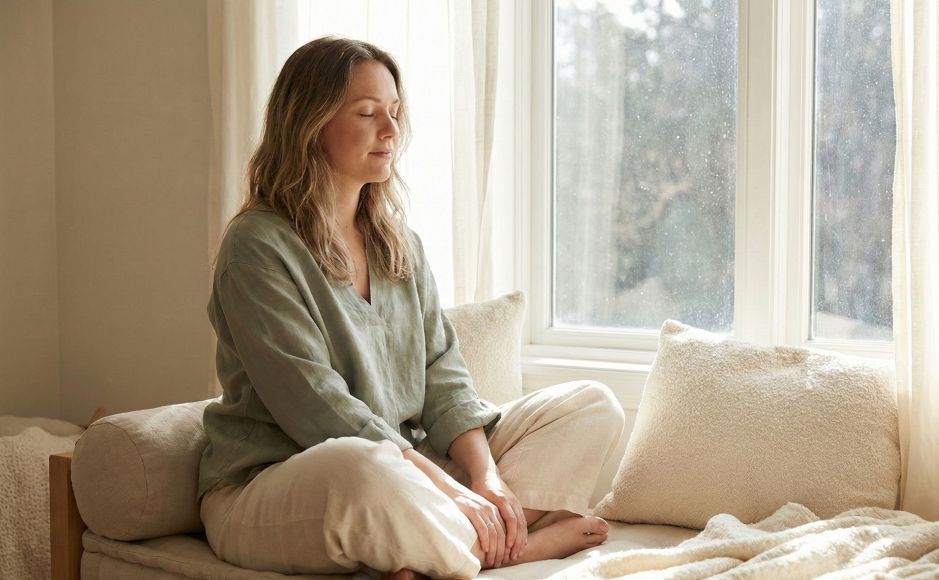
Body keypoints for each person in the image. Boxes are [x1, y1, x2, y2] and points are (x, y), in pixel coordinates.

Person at [197, 35, 625, 580]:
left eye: (394, 112)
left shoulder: (397, 242)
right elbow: (318, 410)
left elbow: (443, 376)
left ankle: (445, 544)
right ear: (309, 124)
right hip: (279, 484)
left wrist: (486, 480)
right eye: (368, 112)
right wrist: (448, 488)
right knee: (360, 462)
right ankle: (522, 548)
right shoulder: (257, 247)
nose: (391, 131)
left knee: (591, 404)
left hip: (405, 468)